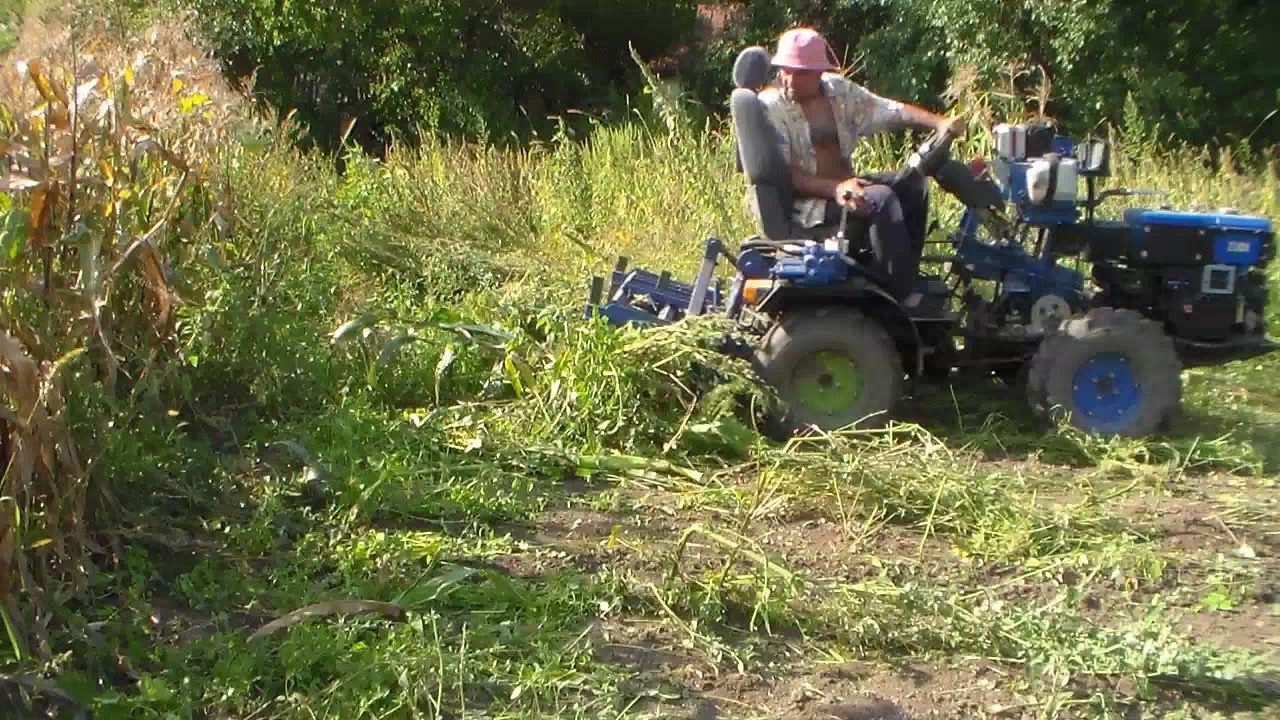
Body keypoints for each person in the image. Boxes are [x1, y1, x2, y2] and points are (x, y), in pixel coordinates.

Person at [759, 26, 965, 303]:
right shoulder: (772, 106)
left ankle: (905, 275)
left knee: (913, 184)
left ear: (820, 71)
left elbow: (890, 110)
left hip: (846, 187)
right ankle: (895, 296)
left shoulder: (839, 92)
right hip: (808, 205)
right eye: (785, 70)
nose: (790, 79)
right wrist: (836, 189)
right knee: (882, 199)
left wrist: (939, 122)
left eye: (800, 72)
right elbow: (784, 175)